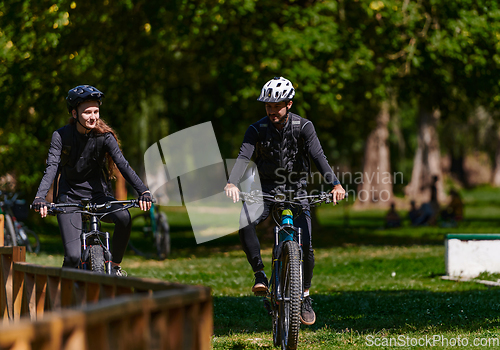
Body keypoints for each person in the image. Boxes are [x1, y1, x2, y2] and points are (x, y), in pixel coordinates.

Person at [224, 77, 345, 326]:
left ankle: (305, 296)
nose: (271, 111)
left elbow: (318, 156)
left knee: (307, 247)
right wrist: (232, 182)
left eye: (276, 106)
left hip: (297, 189)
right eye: (267, 106)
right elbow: (243, 156)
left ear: (289, 104)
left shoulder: (304, 127)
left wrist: (335, 184)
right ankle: (260, 274)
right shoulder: (256, 129)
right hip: (266, 188)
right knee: (244, 220)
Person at [31, 85, 152, 276]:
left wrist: (143, 191)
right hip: (69, 197)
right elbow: (52, 168)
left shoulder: (105, 137)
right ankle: (62, 299)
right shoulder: (61, 136)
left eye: (96, 111)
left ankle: (115, 266)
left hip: (99, 195)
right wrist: (40, 197)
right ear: (74, 113)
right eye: (87, 112)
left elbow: (122, 164)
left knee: (124, 217)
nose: (93, 116)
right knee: (71, 257)